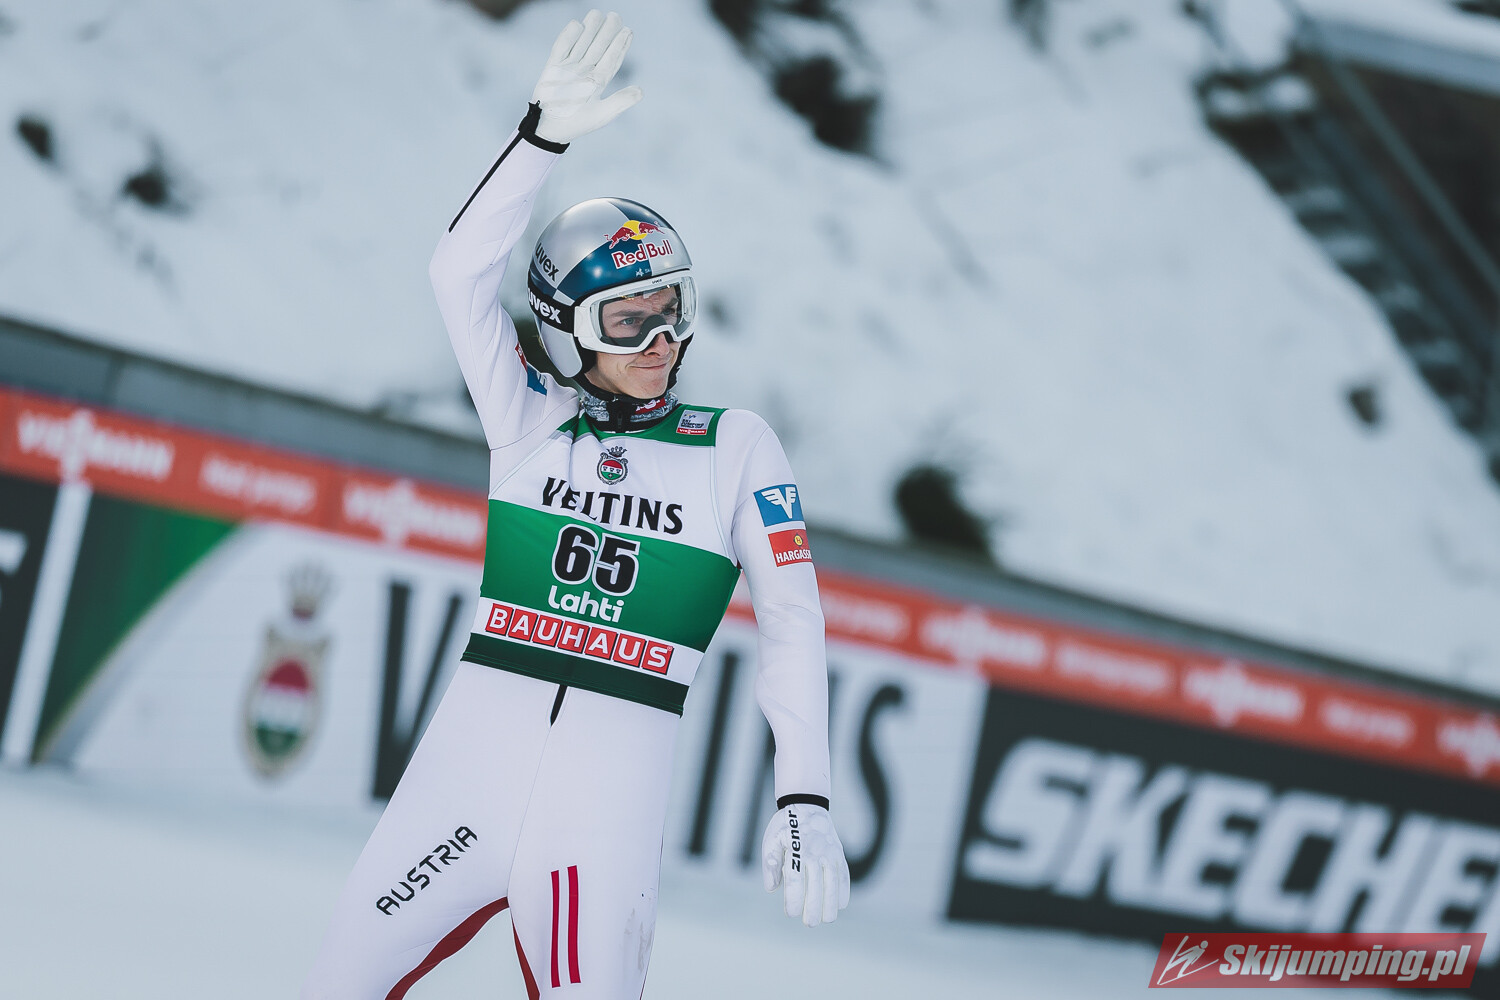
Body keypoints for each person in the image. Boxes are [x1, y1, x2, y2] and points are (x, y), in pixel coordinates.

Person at [302, 11, 849, 999]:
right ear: (565, 331)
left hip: (600, 817)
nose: (660, 340)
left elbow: (792, 619)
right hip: (460, 790)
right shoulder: (528, 420)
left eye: (672, 310)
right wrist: (538, 139)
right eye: (628, 320)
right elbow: (456, 275)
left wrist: (803, 788)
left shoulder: (734, 446)